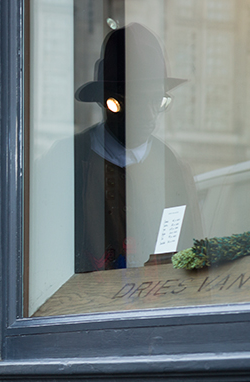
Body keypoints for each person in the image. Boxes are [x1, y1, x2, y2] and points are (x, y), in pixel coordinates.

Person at [72, 23, 203, 272]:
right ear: (109, 101)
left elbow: (189, 249)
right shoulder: (72, 160)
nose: (150, 114)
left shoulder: (171, 165)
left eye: (157, 101)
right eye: (137, 100)